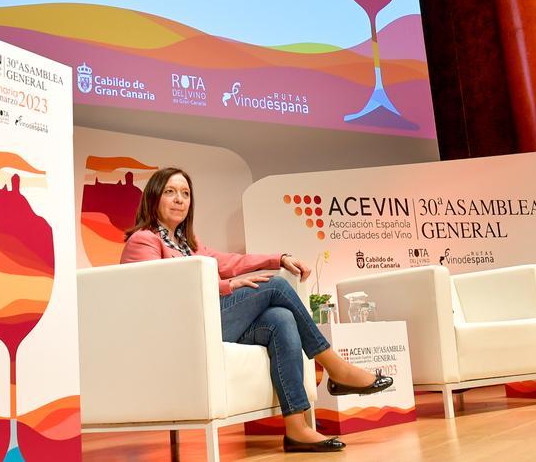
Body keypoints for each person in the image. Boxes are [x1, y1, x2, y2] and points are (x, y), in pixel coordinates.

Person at [120, 167, 393, 453]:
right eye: (170, 192)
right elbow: (162, 292)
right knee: (275, 287)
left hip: (208, 323)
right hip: (180, 330)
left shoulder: (189, 245)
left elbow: (233, 261)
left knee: (281, 318)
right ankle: (336, 368)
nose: (179, 200)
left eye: (185, 194)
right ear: (153, 198)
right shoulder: (143, 240)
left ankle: (297, 428)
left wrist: (279, 257)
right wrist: (228, 286)